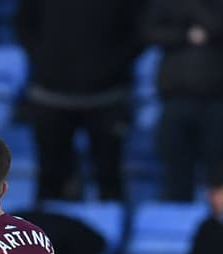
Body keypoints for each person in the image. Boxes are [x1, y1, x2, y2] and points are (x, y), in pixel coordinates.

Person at [15, 0, 144, 201]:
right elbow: (24, 25)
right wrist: (46, 60)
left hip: (107, 96)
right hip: (50, 95)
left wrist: (111, 67)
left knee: (109, 179)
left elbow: (139, 31)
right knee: (50, 178)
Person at [143, 0, 223, 201]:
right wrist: (185, 34)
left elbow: (217, 25)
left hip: (220, 99)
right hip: (175, 98)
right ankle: (175, 223)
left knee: (220, 171)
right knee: (175, 172)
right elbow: (149, 31)